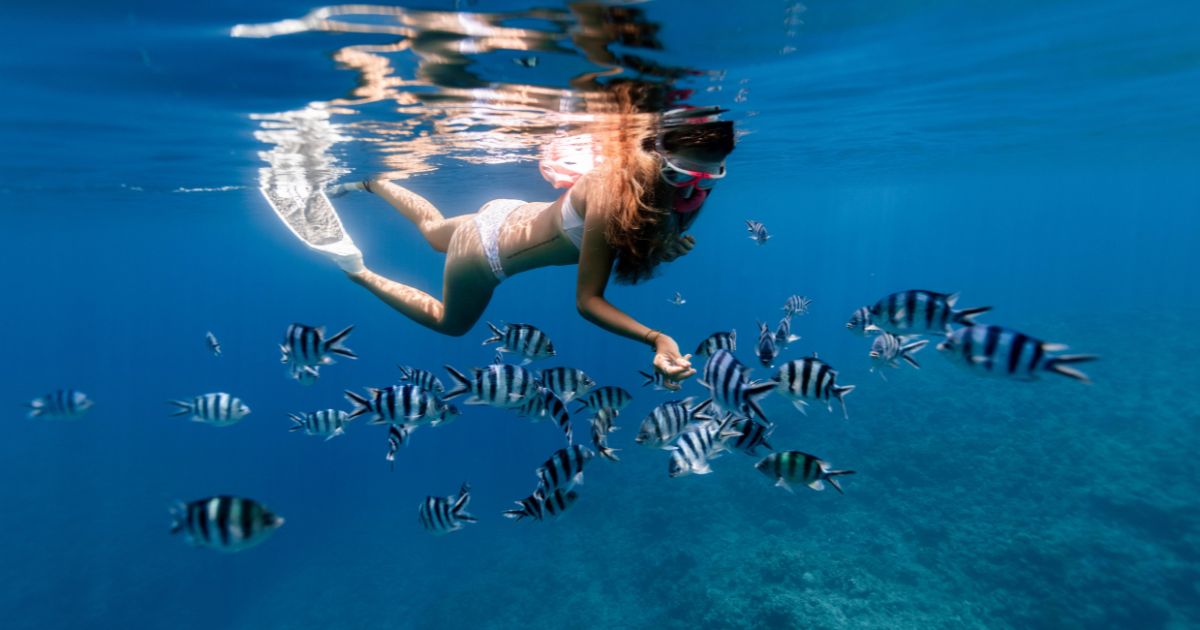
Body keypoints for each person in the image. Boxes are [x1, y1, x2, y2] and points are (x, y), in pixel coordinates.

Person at [325, 110, 734, 389]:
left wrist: (661, 243)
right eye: (681, 175)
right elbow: (587, 301)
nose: (694, 188)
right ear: (655, 156)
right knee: (451, 324)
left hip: (506, 214)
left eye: (710, 177)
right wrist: (656, 338)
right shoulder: (613, 193)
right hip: (483, 254)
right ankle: (357, 269)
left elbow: (644, 227)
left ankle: (373, 182)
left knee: (433, 232)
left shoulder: (679, 187)